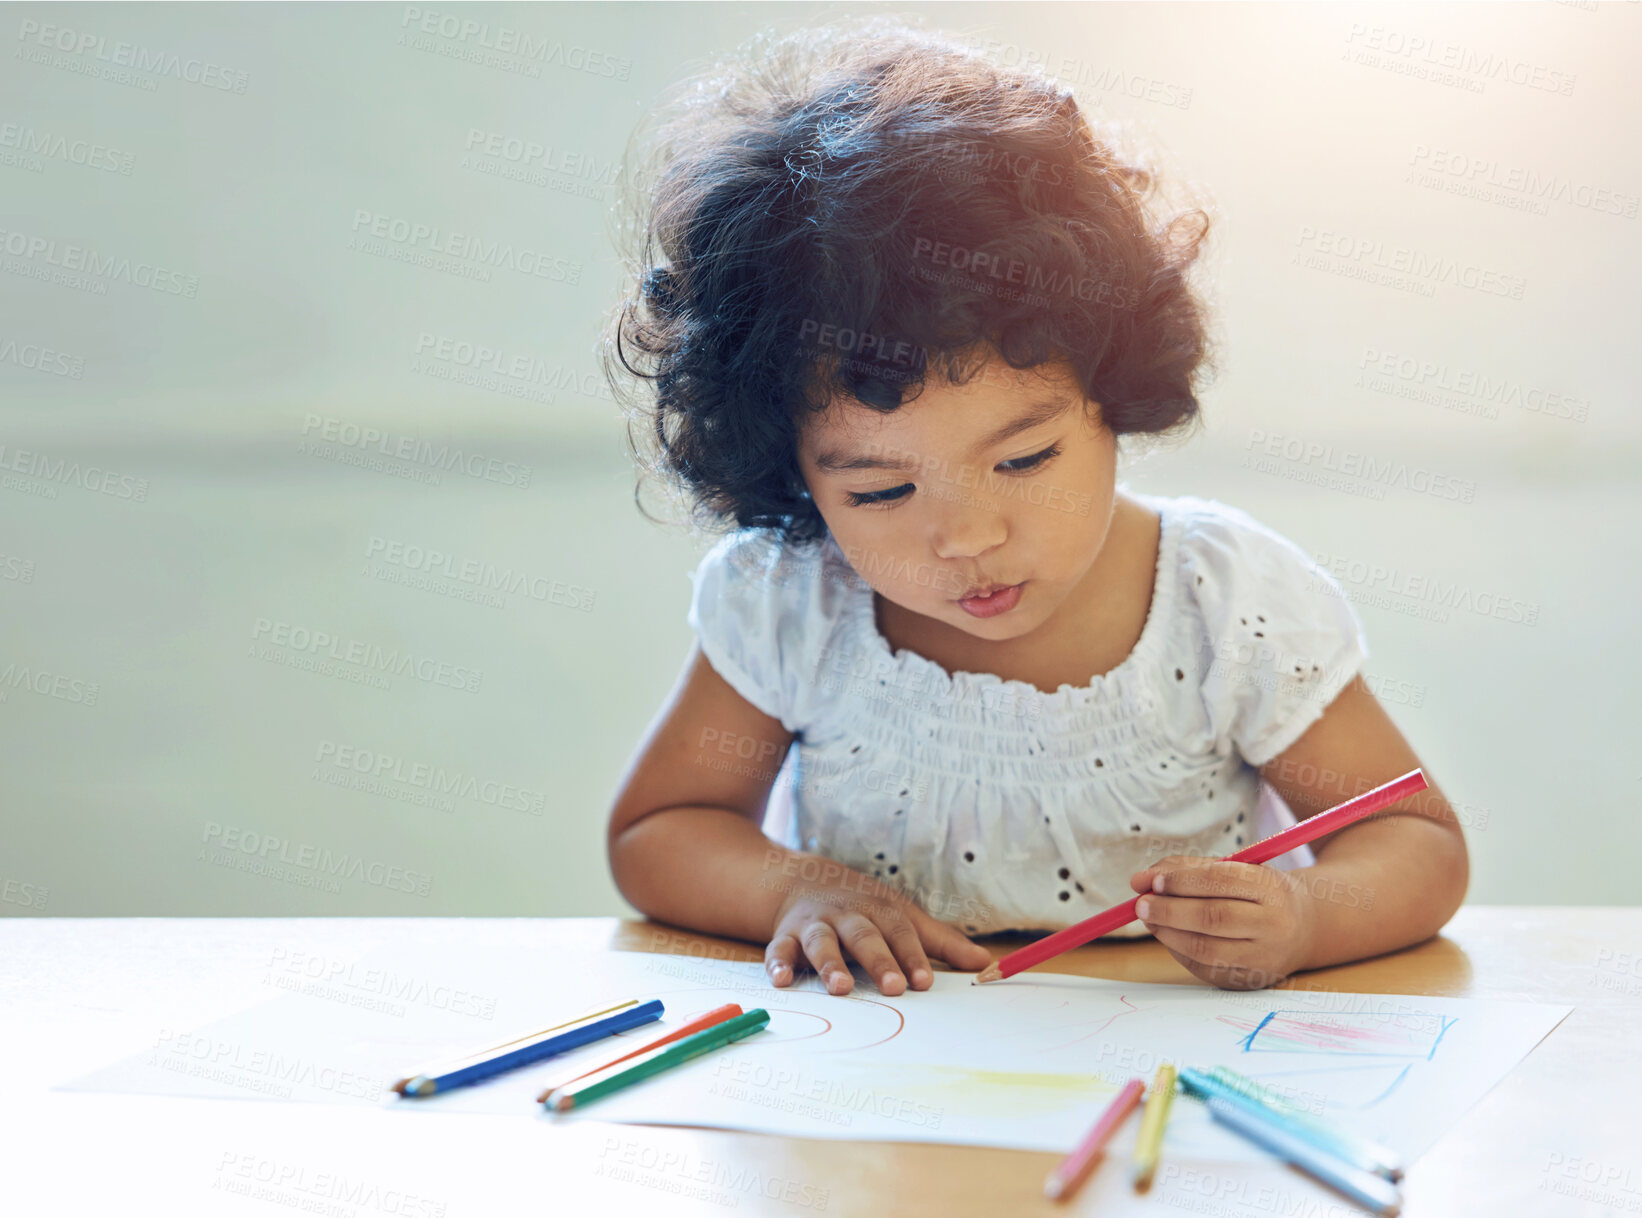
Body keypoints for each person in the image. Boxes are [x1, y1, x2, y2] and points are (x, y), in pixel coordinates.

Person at [600, 17, 1467, 996]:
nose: (967, 536)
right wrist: (792, 890)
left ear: (1112, 391)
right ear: (790, 470)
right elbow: (659, 832)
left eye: (1023, 458)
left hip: (1167, 1069)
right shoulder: (792, 603)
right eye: (880, 489)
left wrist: (1307, 915)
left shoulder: (1223, 601)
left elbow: (1412, 841)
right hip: (886, 1085)